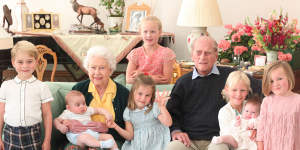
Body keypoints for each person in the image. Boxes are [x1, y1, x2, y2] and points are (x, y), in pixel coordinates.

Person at [166, 36, 261, 150]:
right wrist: (175, 131)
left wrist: (256, 125)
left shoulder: (230, 76)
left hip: (218, 140)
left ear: (216, 56)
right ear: (192, 55)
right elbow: (171, 111)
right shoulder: (183, 82)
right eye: (199, 52)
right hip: (188, 140)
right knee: (173, 148)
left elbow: (263, 89)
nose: (202, 57)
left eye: (207, 53)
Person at [55, 46, 129, 149]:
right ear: (87, 69)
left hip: (111, 139)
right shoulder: (79, 89)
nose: (97, 72)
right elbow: (67, 115)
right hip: (80, 138)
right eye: (93, 67)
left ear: (110, 70)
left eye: (102, 68)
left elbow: (128, 128)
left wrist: (107, 129)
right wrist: (69, 125)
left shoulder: (123, 94)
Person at [0, 40, 53, 150]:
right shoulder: (6, 86)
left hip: (33, 134)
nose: (25, 66)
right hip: (10, 134)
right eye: (20, 62)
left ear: (36, 61)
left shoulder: (42, 87)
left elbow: (47, 115)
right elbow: (1, 113)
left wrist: (47, 141)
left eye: (29, 61)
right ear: (13, 62)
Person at [106, 74, 172, 150]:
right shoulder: (128, 112)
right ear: (133, 92)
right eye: (140, 94)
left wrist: (162, 107)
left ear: (151, 96)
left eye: (147, 95)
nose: (143, 98)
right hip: (138, 145)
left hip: (157, 144)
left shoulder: (154, 107)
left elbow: (168, 123)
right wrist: (115, 126)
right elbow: (130, 136)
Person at [257, 61, 300, 150]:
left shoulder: (298, 101)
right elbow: (261, 129)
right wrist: (260, 147)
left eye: (279, 79)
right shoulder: (267, 102)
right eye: (271, 81)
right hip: (270, 145)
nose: (275, 84)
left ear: (289, 77)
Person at [54, 90, 119, 150]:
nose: (82, 106)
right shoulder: (67, 113)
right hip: (77, 136)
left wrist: (107, 114)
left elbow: (98, 110)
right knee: (84, 137)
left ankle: (115, 149)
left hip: (92, 133)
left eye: (84, 103)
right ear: (68, 107)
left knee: (108, 136)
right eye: (78, 105)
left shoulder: (87, 110)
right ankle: (101, 144)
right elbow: (56, 120)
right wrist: (60, 126)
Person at [126, 16, 176, 84]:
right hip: (140, 92)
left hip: (160, 92)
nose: (149, 35)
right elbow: (129, 79)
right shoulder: (135, 53)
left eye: (152, 32)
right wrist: (153, 78)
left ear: (160, 32)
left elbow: (166, 80)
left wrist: (142, 76)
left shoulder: (167, 53)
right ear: (140, 32)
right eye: (145, 31)